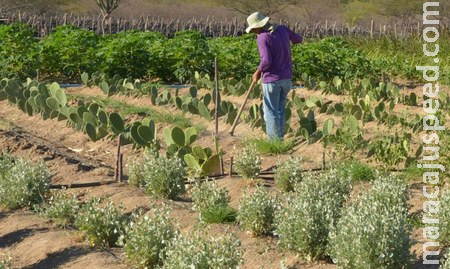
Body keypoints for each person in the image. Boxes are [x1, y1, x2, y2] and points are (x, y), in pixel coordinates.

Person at [246, 12, 302, 140]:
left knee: (271, 112)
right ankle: (280, 139)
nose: (254, 32)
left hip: (271, 80)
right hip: (286, 79)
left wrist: (257, 72)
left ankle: (273, 142)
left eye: (254, 29)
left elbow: (266, 60)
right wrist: (285, 43)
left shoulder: (262, 37)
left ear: (260, 26)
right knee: (280, 110)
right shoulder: (282, 29)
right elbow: (299, 39)